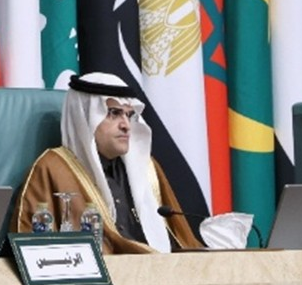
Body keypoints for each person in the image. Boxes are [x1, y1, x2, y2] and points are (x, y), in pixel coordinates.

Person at [14, 73, 201, 253]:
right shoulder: (52, 169)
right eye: (114, 113)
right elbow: (33, 250)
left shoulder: (147, 169)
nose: (126, 125)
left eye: (129, 115)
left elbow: (181, 240)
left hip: (155, 274)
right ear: (85, 117)